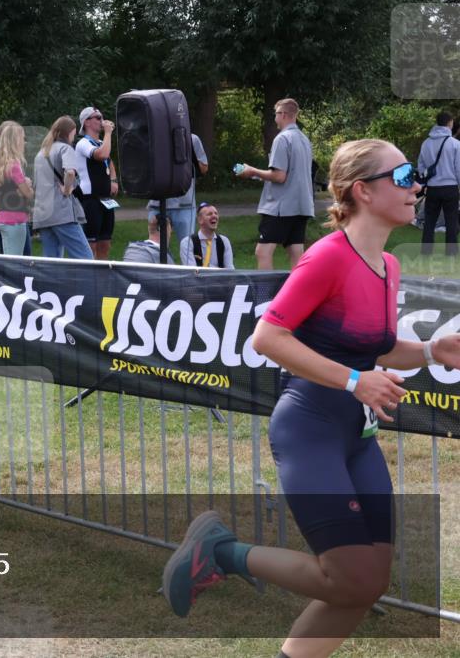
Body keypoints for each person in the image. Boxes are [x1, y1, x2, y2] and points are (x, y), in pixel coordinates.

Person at [163, 139, 460, 657]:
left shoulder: (387, 266)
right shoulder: (327, 257)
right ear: (363, 191)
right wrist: (352, 380)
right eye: (405, 173)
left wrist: (433, 348)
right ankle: (222, 552)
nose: (418, 185)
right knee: (347, 578)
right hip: (310, 430)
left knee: (366, 584)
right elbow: (267, 338)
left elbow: (380, 346)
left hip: (356, 435)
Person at [237, 98, 315, 270]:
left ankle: (266, 295)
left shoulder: (282, 139)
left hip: (281, 207)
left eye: (276, 114)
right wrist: (259, 176)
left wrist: (252, 171)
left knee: (263, 252)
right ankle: (298, 294)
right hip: (302, 205)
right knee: (296, 252)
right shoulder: (304, 140)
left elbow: (279, 176)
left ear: (284, 115)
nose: (275, 118)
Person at [32, 116, 93, 259]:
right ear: (70, 131)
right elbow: (70, 172)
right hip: (61, 213)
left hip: (43, 214)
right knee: (86, 258)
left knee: (52, 262)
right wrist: (67, 189)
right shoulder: (65, 148)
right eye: (74, 132)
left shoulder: (41, 153)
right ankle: (88, 282)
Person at [74, 106, 119, 259]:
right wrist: (108, 133)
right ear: (86, 122)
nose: (102, 120)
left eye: (102, 117)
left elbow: (109, 160)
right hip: (90, 199)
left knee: (105, 242)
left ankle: (102, 277)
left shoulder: (101, 141)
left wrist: (113, 180)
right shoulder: (83, 144)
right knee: (90, 244)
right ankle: (89, 276)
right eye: (98, 118)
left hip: (106, 199)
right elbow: (102, 155)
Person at [146, 133, 208, 241]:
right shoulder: (154, 136)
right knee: (156, 248)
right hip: (157, 203)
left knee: (187, 247)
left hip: (184, 204)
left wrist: (187, 156)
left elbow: (204, 168)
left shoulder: (191, 138)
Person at [417, 111, 460, 255]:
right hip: (450, 187)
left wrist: (424, 185)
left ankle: (426, 252)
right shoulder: (455, 144)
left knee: (429, 221)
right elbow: (458, 168)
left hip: (433, 188)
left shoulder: (426, 143)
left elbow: (421, 167)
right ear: (449, 123)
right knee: (451, 221)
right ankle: (451, 253)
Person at [0, 122, 34, 255]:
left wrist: (21, 191)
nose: (24, 142)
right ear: (16, 141)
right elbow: (29, 194)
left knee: (10, 260)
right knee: (14, 264)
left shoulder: (0, 163)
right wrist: (27, 185)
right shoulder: (14, 165)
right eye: (22, 138)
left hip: (3, 217)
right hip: (15, 220)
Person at [179, 202, 234, 269]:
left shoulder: (224, 241)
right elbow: (192, 271)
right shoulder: (187, 243)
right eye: (209, 214)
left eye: (216, 213)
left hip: (220, 279)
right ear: (200, 220)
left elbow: (230, 269)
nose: (214, 216)